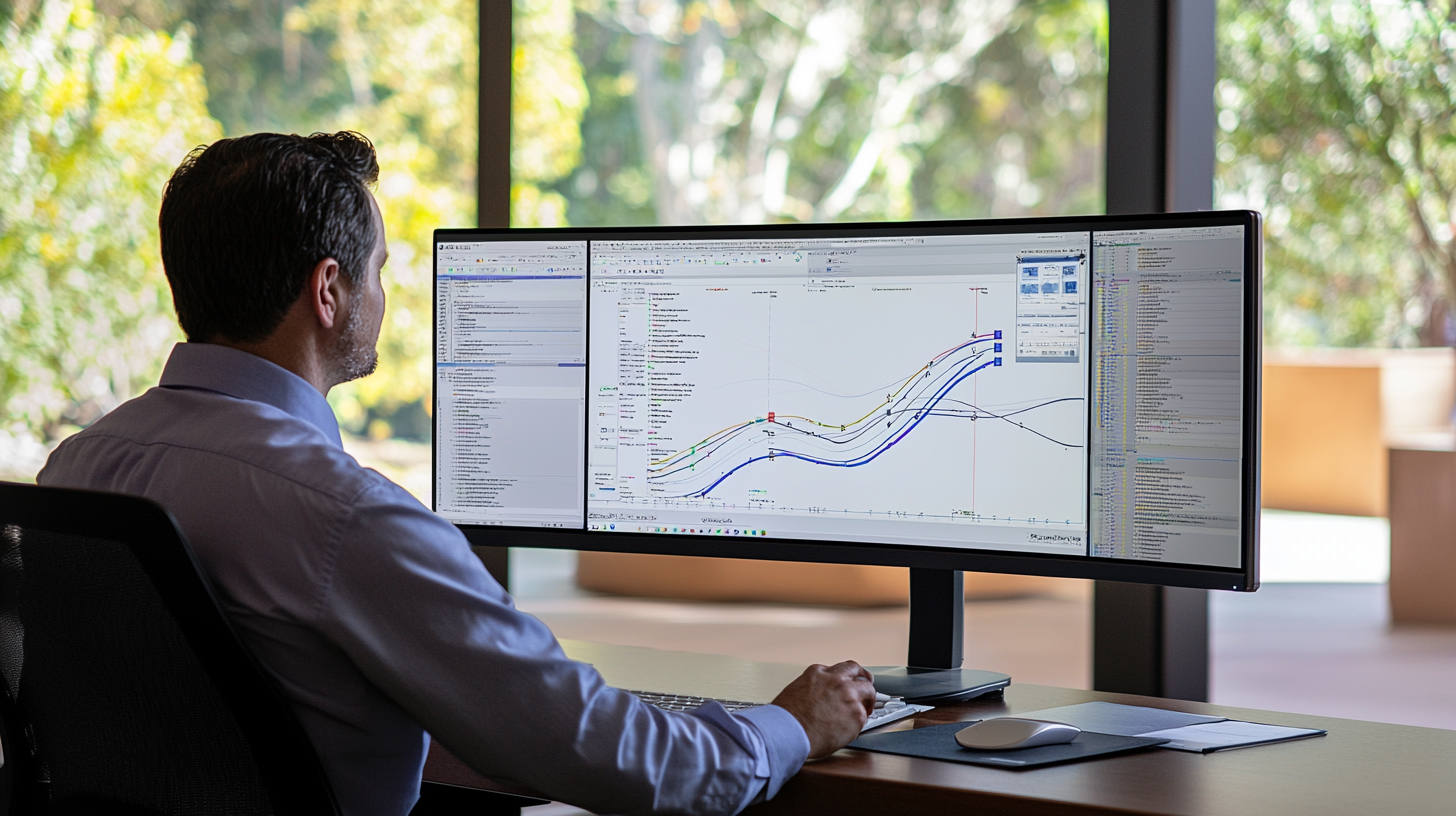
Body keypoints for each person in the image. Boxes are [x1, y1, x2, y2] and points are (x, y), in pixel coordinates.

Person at [37, 131, 876, 816]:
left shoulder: (76, 468)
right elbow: (615, 761)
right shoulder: (347, 517)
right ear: (328, 291)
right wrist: (789, 725)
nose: (385, 297)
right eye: (381, 270)